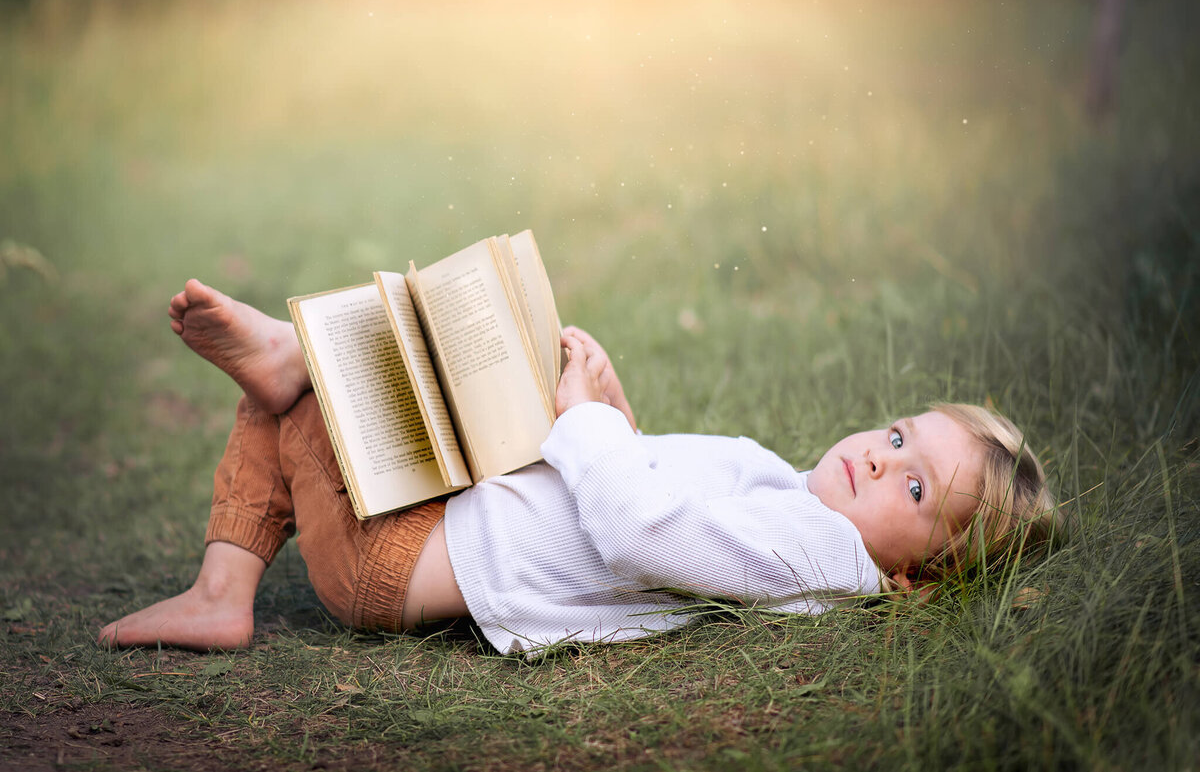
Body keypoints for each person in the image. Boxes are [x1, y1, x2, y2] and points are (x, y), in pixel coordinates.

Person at [98, 280, 1063, 655]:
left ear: (914, 577)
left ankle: (299, 365)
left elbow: (641, 531)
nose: (878, 460)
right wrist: (608, 407)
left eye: (916, 487)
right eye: (897, 437)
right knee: (350, 377)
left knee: (292, 394)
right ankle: (222, 592)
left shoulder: (816, 554)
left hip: (385, 564)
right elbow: (656, 498)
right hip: (436, 520)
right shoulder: (782, 492)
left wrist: (589, 426)